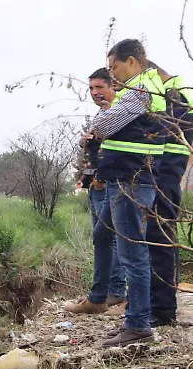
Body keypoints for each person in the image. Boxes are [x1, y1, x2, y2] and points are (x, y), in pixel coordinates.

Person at [87, 38, 167, 347]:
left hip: (132, 181)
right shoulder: (139, 88)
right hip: (128, 179)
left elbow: (104, 126)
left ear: (131, 61)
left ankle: (138, 325)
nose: (112, 75)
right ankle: (129, 314)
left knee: (133, 255)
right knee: (118, 244)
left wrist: (99, 123)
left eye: (114, 67)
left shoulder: (140, 90)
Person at [64, 68, 127, 315]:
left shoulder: (120, 115)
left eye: (99, 87)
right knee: (103, 238)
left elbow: (115, 151)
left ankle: (112, 293)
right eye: (91, 88)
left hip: (110, 184)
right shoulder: (102, 115)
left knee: (110, 239)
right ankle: (106, 293)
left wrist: (101, 176)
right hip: (95, 185)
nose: (94, 93)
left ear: (114, 86)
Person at [147, 62, 193, 327]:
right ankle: (162, 307)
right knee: (163, 240)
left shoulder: (171, 95)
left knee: (160, 241)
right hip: (167, 175)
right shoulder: (175, 91)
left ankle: (162, 311)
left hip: (163, 176)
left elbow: (160, 138)